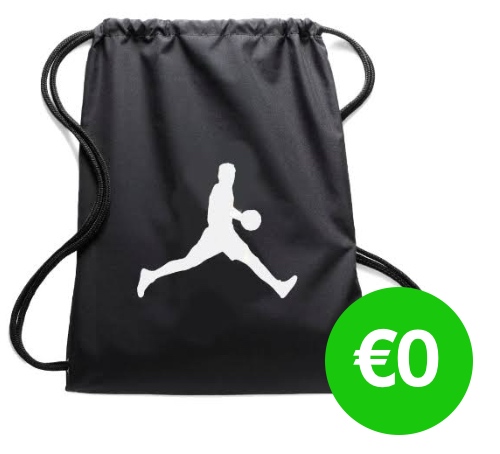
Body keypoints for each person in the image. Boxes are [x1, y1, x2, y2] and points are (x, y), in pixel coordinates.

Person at [137, 163, 297, 298]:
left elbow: (227, 209)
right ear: (222, 175)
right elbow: (220, 211)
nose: (231, 176)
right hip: (220, 234)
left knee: (249, 261)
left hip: (222, 233)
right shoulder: (221, 190)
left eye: (232, 174)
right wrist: (241, 217)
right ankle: (278, 286)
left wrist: (240, 216)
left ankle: (151, 275)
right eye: (228, 174)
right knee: (249, 261)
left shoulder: (225, 190)